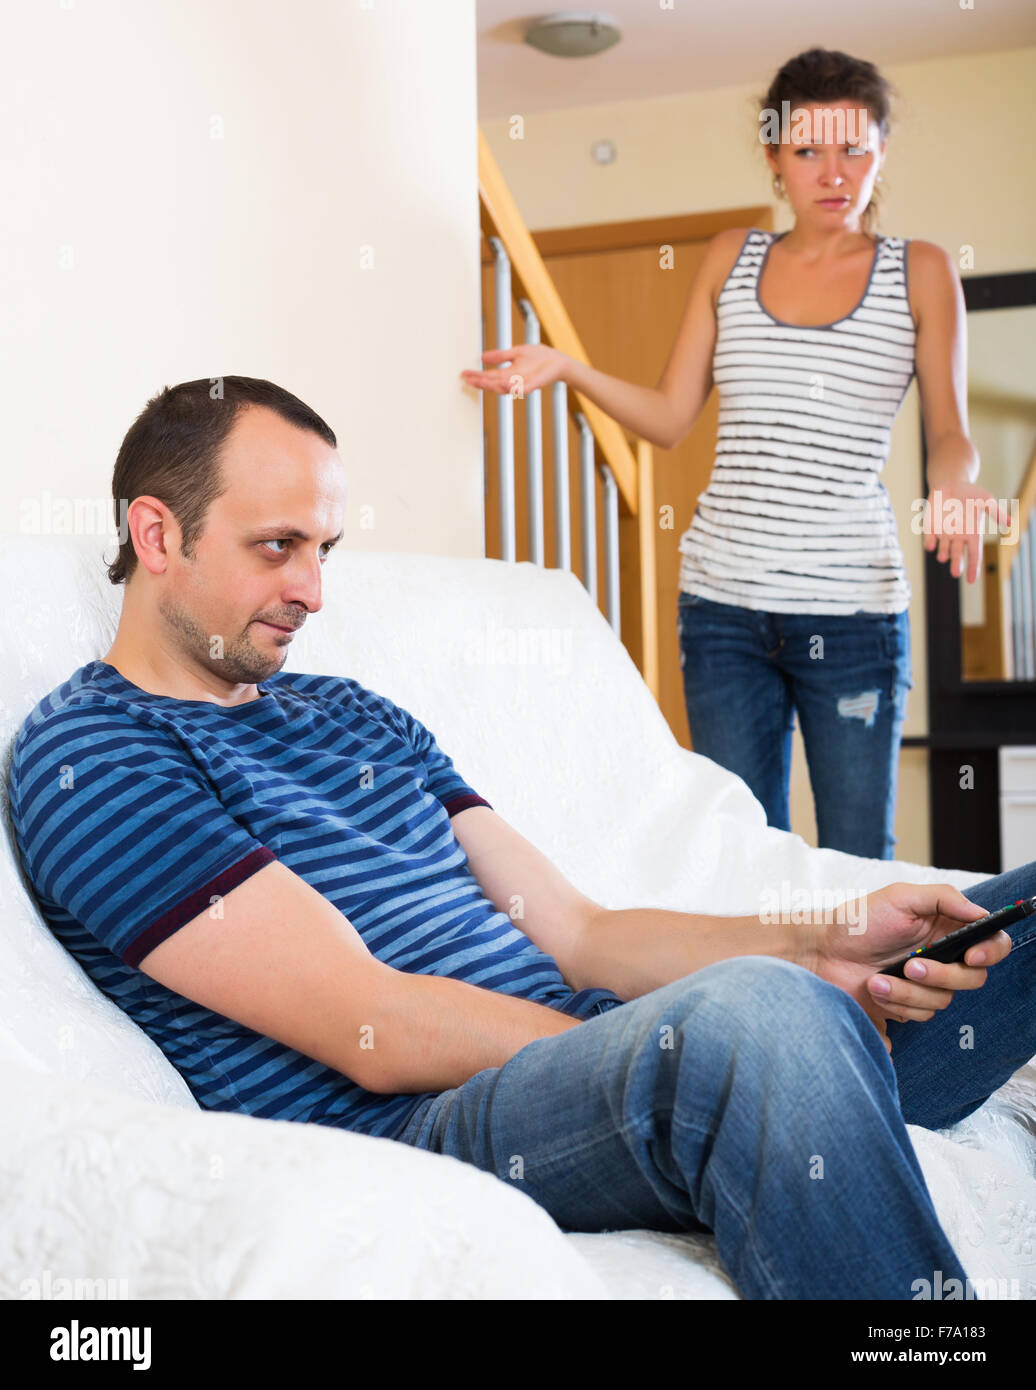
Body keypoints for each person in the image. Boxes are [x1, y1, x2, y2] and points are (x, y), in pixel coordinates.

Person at [8, 376, 1029, 1301]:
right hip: (434, 1118)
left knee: (1006, 919)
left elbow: (580, 932)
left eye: (324, 552)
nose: (313, 592)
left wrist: (818, 945)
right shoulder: (95, 753)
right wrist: (697, 1036)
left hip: (604, 1058)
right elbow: (377, 1025)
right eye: (277, 546)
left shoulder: (354, 713)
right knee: (758, 1026)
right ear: (155, 535)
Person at [461, 48, 1007, 860]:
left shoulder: (919, 272)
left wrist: (957, 485)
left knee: (857, 855)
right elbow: (670, 416)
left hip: (853, 613)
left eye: (855, 147)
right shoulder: (729, 258)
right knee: (741, 854)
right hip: (723, 611)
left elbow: (949, 432)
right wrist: (570, 367)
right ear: (774, 157)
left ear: (882, 150)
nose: (835, 172)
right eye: (808, 150)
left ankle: (857, 995)